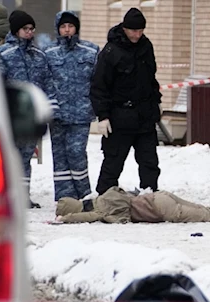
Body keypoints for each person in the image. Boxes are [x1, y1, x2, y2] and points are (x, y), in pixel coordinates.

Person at [90, 8, 162, 196]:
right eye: (133, 31)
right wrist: (103, 116)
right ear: (124, 28)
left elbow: (151, 79)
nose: (137, 35)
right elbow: (99, 86)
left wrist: (156, 104)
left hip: (145, 116)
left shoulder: (146, 46)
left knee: (149, 162)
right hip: (119, 117)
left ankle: (150, 196)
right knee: (113, 163)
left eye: (141, 31)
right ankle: (105, 198)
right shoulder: (111, 51)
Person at [0, 10, 60, 208]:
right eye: (25, 29)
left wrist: (50, 106)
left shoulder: (38, 56)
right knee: (7, 158)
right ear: (16, 31)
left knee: (25, 158)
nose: (30, 32)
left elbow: (48, 82)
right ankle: (4, 196)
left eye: (32, 29)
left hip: (28, 117)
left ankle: (23, 197)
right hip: (8, 116)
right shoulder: (3, 54)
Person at [44, 11, 99, 202]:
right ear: (58, 29)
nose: (67, 30)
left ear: (77, 28)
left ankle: (84, 194)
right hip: (57, 114)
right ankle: (65, 198)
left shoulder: (91, 51)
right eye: (63, 26)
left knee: (76, 153)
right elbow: (45, 81)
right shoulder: (48, 53)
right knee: (59, 156)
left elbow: (98, 82)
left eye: (70, 26)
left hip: (81, 113)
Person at [55, 186, 210, 224]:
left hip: (161, 210)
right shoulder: (106, 195)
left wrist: (65, 220)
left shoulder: (102, 209)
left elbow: (89, 217)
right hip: (159, 197)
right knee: (208, 210)